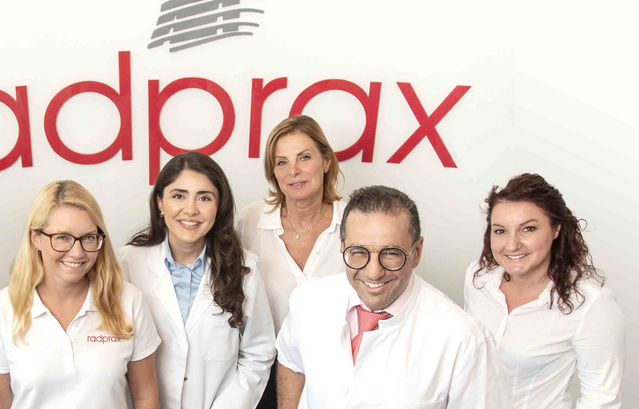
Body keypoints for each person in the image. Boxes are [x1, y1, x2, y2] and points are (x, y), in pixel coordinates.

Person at [277, 185, 511, 409]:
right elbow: (290, 363)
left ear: (417, 252)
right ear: (342, 246)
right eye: (358, 252)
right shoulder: (308, 300)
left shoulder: (464, 340)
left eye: (390, 253)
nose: (373, 272)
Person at [0, 180, 161, 409]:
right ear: (35, 238)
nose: (77, 252)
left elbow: (145, 397)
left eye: (88, 237)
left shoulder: (129, 301)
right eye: (62, 237)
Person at [120, 152, 276, 409]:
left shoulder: (244, 268)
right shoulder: (127, 263)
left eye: (204, 198)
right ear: (160, 203)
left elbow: (258, 352)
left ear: (219, 206)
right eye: (178, 196)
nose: (191, 209)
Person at [464, 174, 626, 408]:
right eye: (500, 231)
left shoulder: (591, 303)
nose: (512, 244)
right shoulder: (478, 277)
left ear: (556, 229)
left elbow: (602, 400)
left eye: (528, 229)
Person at [234, 115, 345, 407]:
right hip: (264, 371)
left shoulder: (353, 222)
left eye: (304, 157)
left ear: (326, 161)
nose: (293, 171)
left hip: (336, 370)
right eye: (282, 162)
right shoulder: (251, 219)